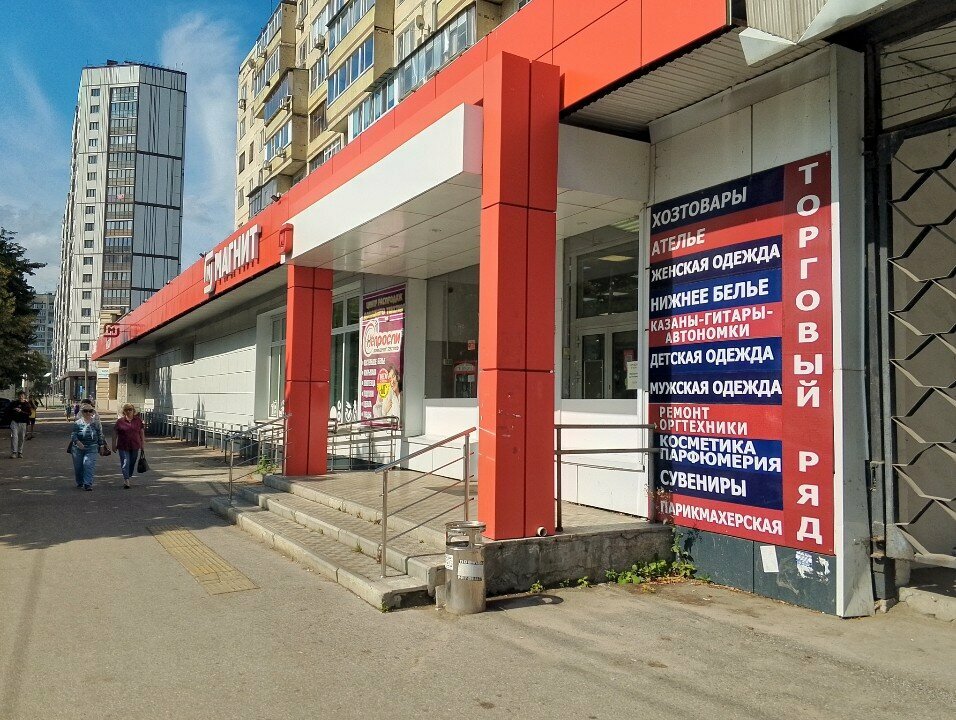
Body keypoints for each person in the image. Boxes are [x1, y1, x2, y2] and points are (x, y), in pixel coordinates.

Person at [71, 405, 106, 491]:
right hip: (78, 448)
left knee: (88, 464)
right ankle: (80, 482)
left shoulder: (95, 423)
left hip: (92, 447)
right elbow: (73, 434)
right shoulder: (77, 423)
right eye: (85, 411)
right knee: (78, 467)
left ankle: (87, 484)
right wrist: (78, 442)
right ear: (82, 412)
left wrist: (101, 445)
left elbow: (100, 434)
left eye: (90, 411)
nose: (88, 413)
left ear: (93, 412)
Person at [112, 403, 145, 489]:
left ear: (133, 411)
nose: (128, 411)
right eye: (126, 410)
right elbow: (115, 432)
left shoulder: (138, 420)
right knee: (125, 462)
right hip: (123, 445)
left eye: (130, 409)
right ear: (124, 411)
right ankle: (126, 479)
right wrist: (113, 444)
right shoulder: (120, 421)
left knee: (132, 462)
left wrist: (142, 443)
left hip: (135, 445)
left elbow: (141, 432)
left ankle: (128, 474)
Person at [9, 391, 31, 458]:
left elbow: (29, 414)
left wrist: (21, 411)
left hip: (23, 423)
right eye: (19, 396)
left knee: (21, 438)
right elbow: (8, 410)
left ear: (24, 396)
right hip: (14, 422)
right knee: (14, 437)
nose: (20, 397)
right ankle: (14, 452)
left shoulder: (27, 404)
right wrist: (14, 409)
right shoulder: (14, 403)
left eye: (22, 396)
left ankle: (20, 452)